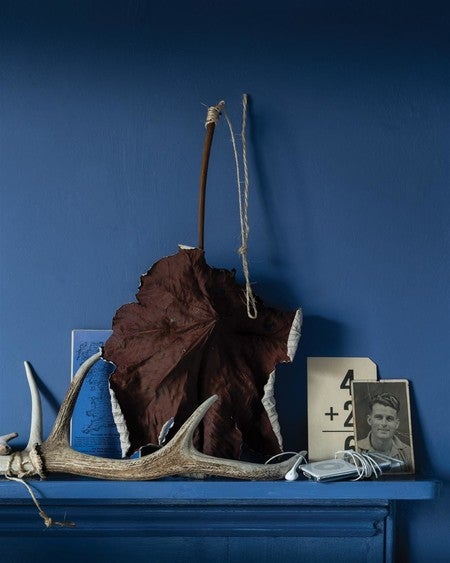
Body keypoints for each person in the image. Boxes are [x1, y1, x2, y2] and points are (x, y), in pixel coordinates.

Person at [357, 392, 413, 472]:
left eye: (389, 419)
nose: (384, 424)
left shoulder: (408, 454)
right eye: (379, 417)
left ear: (396, 424)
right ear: (369, 420)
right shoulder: (356, 450)